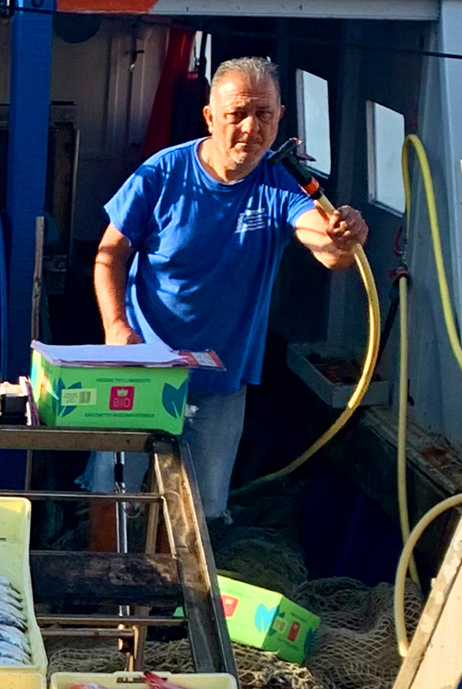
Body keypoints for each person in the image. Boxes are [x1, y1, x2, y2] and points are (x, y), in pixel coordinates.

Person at [91, 55, 368, 520]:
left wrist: (345, 237)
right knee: (111, 498)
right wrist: (116, 326)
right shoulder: (160, 173)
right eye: (237, 114)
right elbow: (109, 254)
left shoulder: (283, 182)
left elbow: (328, 252)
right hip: (141, 368)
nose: (250, 128)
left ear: (280, 116)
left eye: (263, 114)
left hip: (220, 380)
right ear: (210, 116)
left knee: (202, 514)